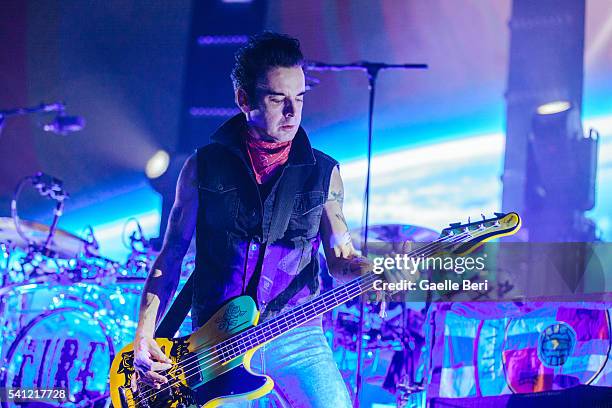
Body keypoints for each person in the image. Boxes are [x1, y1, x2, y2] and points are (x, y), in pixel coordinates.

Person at [131, 32, 370, 407]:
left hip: (296, 334)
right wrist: (144, 334)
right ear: (244, 99)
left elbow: (341, 258)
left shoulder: (322, 173)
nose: (292, 112)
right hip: (214, 343)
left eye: (300, 98)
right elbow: (172, 253)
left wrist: (369, 272)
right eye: (278, 99)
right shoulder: (202, 168)